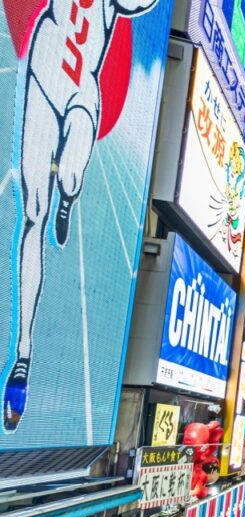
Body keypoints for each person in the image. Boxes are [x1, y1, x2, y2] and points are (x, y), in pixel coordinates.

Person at [2, 0, 164, 432]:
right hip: (45, 59)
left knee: (71, 175)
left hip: (81, 91)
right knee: (33, 213)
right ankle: (23, 355)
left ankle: (70, 196)